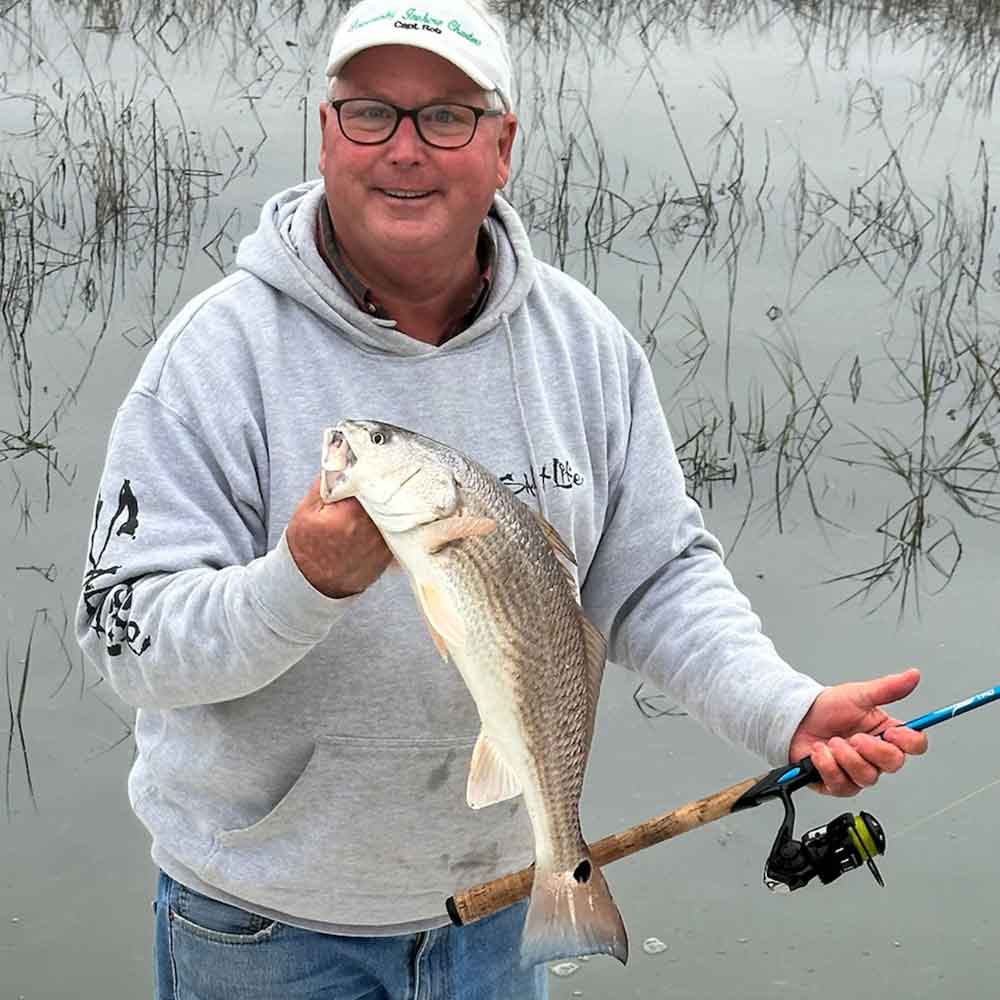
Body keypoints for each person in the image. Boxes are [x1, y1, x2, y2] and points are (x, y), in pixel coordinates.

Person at [74, 1, 928, 997]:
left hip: (501, 906)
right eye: (371, 113)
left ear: (502, 145)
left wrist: (787, 708)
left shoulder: (586, 348)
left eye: (445, 116)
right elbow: (123, 640)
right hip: (262, 927)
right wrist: (301, 581)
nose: (404, 150)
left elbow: (654, 581)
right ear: (327, 132)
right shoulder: (211, 356)